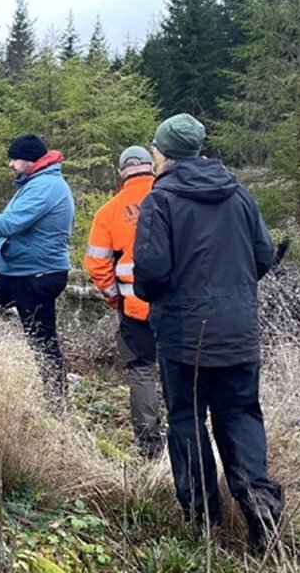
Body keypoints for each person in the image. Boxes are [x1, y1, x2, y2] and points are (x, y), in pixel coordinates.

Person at [133, 113, 283, 552]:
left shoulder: (160, 199)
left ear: (164, 153)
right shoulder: (239, 194)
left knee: (186, 420)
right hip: (239, 333)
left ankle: (202, 522)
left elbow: (152, 271)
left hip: (184, 335)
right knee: (240, 415)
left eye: (156, 149)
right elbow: (262, 258)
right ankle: (260, 510)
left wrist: (155, 292)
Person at [84, 145, 163, 458]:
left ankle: (149, 447)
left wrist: (113, 296)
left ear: (121, 173)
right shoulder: (176, 198)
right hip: (181, 309)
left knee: (142, 372)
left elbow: (96, 263)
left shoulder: (109, 211)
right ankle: (189, 443)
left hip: (134, 309)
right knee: (180, 370)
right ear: (151, 167)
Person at [0, 133, 75, 406]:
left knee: (42, 341)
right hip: (18, 274)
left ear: (29, 159)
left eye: (14, 159)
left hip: (37, 276)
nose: (11, 165)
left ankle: (57, 404)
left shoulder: (46, 186)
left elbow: (8, 225)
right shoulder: (34, 183)